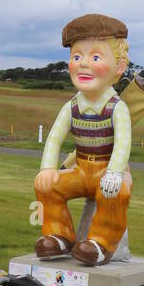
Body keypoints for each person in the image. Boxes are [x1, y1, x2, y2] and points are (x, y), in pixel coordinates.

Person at [34, 13, 132, 266]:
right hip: (80, 169)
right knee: (48, 185)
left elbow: (122, 144)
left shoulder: (116, 107)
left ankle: (102, 242)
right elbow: (54, 138)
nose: (83, 64)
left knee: (116, 192)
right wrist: (47, 168)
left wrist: (115, 172)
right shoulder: (71, 107)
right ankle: (59, 235)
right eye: (76, 57)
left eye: (96, 57)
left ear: (119, 67)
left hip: (107, 171)